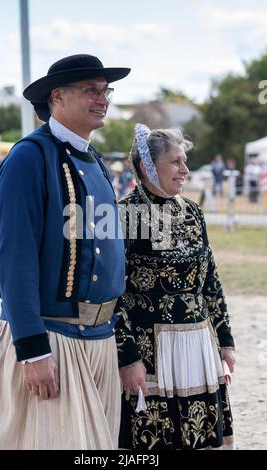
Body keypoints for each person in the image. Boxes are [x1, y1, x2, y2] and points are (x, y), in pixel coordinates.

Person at [0, 54, 145, 450]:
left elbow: (109, 262)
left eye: (106, 91)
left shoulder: (99, 163)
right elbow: (14, 260)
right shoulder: (28, 158)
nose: (103, 99)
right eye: (91, 90)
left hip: (100, 340)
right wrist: (33, 351)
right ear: (58, 97)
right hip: (53, 336)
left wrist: (125, 351)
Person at [116, 124, 236, 450]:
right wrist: (128, 358)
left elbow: (209, 279)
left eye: (185, 161)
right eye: (176, 162)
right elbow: (114, 295)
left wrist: (225, 341)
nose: (185, 170)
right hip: (151, 353)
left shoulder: (193, 212)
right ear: (147, 166)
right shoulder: (126, 215)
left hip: (198, 345)